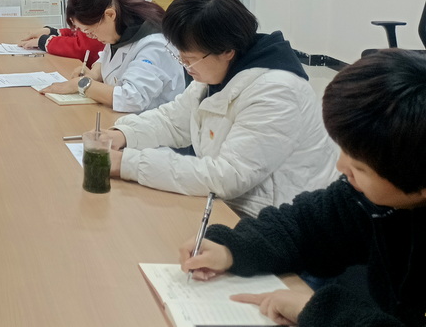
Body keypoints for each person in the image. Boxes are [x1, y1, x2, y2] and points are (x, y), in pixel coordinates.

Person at [179, 49, 426, 327]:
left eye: (360, 168)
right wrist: (233, 249)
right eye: (344, 151)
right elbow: (306, 225)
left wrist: (320, 312)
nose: (341, 166)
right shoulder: (368, 196)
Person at [105, 0, 338, 218]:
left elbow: (228, 176)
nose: (185, 66)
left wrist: (128, 163)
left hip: (279, 219)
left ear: (227, 51)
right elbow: (174, 121)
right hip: (232, 205)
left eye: (190, 59)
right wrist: (123, 134)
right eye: (181, 57)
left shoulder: (276, 92)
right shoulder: (216, 73)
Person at [40, 0, 186, 112]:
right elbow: (106, 57)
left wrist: (82, 84)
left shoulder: (154, 45)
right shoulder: (119, 28)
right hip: (124, 119)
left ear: (110, 14)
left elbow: (132, 98)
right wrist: (94, 74)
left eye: (90, 31)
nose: (91, 37)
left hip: (152, 125)